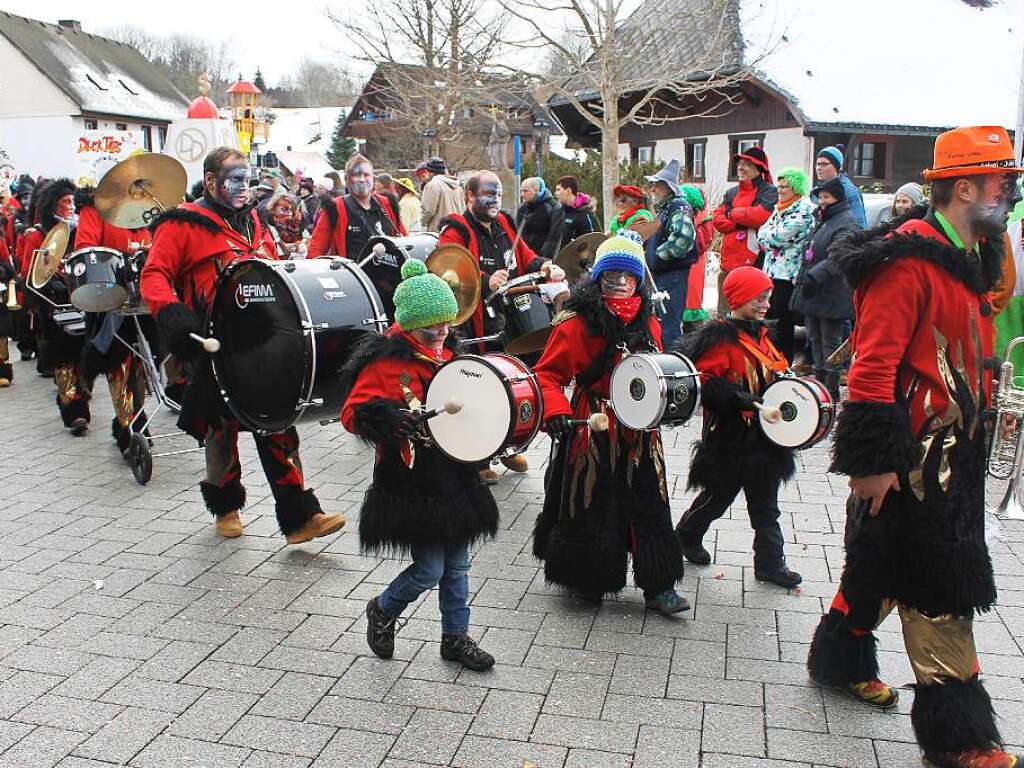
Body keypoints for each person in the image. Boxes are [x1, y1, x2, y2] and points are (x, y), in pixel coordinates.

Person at [807, 126, 1024, 768]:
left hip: (951, 457)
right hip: (915, 463)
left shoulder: (971, 253)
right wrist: (872, 466)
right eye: (1003, 183)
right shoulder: (905, 262)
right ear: (966, 188)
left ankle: (838, 658)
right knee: (941, 587)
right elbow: (871, 370)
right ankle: (962, 738)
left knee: (875, 568)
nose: (1011, 195)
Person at [141, 146, 345, 544]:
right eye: (234, 179)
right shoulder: (181, 224)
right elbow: (154, 275)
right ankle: (226, 507)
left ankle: (299, 516)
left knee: (279, 422)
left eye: (247, 179)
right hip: (212, 342)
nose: (243, 187)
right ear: (212, 181)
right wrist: (172, 315)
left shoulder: (252, 218)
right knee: (221, 429)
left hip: (259, 342)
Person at [340, 259, 498, 671]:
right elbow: (352, 414)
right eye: (432, 327)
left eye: (446, 324)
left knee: (458, 564)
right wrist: (390, 418)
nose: (442, 334)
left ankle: (455, 637)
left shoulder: (451, 355)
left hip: (455, 473)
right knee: (430, 568)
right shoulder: (385, 363)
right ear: (409, 326)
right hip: (414, 481)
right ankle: (384, 608)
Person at [531, 231, 688, 613]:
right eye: (611, 276)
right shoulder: (575, 323)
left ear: (639, 280)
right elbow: (547, 375)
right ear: (598, 278)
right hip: (593, 420)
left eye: (627, 277)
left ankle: (658, 583)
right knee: (591, 497)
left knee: (651, 498)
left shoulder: (649, 321)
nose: (619, 284)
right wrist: (555, 412)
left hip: (640, 424)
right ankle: (588, 577)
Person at [673, 266, 802, 588]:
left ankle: (770, 564)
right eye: (759, 298)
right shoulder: (720, 339)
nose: (766, 305)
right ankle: (686, 536)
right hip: (731, 439)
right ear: (740, 298)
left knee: (766, 506)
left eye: (768, 298)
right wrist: (742, 399)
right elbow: (703, 383)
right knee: (718, 498)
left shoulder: (762, 334)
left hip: (765, 439)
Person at [437, 170, 567, 480]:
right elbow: (446, 268)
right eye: (487, 193)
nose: (494, 199)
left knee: (509, 385)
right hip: (473, 325)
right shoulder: (455, 229)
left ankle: (507, 446)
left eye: (497, 194)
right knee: (479, 388)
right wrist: (483, 280)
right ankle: (478, 460)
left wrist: (544, 265)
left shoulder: (506, 224)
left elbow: (525, 257)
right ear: (469, 197)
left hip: (506, 322)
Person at [74, 184, 153, 454]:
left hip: (145, 295)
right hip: (109, 296)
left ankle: (135, 418)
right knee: (119, 360)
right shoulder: (95, 210)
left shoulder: (148, 213)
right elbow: (85, 248)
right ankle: (128, 425)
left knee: (142, 364)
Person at [20, 178, 91, 430]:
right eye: (65, 202)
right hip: (53, 304)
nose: (71, 206)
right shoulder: (37, 235)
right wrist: (51, 270)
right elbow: (30, 273)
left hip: (82, 298)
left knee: (83, 354)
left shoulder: (80, 231)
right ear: (53, 205)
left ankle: (81, 392)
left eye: (73, 201)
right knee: (63, 358)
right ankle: (72, 408)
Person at [790, 176, 859, 402]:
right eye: (820, 197)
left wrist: (814, 275)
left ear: (837, 198)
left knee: (831, 341)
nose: (822, 201)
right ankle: (819, 385)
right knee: (814, 338)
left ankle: (831, 389)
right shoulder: (824, 220)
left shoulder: (847, 222)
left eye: (826, 197)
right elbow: (810, 252)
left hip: (832, 292)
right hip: (814, 291)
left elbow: (838, 255)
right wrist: (802, 278)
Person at [757, 166, 817, 361]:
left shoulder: (804, 211)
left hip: (788, 275)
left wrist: (768, 238)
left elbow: (776, 237)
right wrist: (768, 237)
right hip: (772, 272)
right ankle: (771, 359)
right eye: (779, 186)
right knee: (769, 319)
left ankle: (784, 362)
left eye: (785, 187)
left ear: (797, 188)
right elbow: (762, 233)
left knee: (783, 323)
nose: (780, 191)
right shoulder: (780, 208)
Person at [713, 147, 778, 316]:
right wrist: (741, 221)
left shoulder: (768, 191)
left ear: (759, 168)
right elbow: (718, 220)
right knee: (724, 315)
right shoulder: (731, 192)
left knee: (748, 315)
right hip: (728, 264)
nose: (741, 167)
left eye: (747, 164)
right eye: (740, 163)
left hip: (753, 265)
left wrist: (732, 214)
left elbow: (760, 216)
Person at [307, 154, 406, 258]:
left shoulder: (388, 204)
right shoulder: (334, 207)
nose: (362, 179)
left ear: (373, 179)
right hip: (352, 273)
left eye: (366, 175)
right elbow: (316, 250)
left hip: (389, 272)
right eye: (356, 175)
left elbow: (404, 241)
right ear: (346, 179)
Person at [643, 159, 697, 347]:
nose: (653, 190)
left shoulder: (678, 207)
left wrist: (657, 257)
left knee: (669, 323)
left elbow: (683, 239)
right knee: (660, 321)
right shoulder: (667, 208)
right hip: (664, 274)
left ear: (668, 187)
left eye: (657, 186)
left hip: (672, 275)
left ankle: (671, 364)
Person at [681, 184, 715, 331]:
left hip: (694, 265)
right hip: (682, 267)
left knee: (692, 303)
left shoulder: (703, 220)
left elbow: (701, 244)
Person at [814, 145, 866, 227]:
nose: (818, 168)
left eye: (824, 164)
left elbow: (859, 226)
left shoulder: (849, 191)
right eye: (818, 164)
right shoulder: (817, 190)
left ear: (836, 167)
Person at [515, 176, 562, 260]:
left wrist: (546, 260)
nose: (522, 194)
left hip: (543, 259)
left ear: (536, 190)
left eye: (525, 191)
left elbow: (553, 239)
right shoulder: (522, 210)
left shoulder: (553, 208)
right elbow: (517, 235)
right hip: (525, 258)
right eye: (521, 191)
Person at [419, 157, 463, 232]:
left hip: (440, 232)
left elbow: (428, 210)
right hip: (458, 231)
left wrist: (422, 222)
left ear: (429, 171)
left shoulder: (433, 184)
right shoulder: (457, 186)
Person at [554, 175, 599, 247]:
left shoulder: (585, 213)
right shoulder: (560, 212)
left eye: (559, 190)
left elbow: (594, 241)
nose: (556, 193)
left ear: (568, 190)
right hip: (561, 257)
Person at [266, 193, 306, 257]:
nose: (289, 213)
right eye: (284, 209)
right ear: (274, 209)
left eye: (291, 210)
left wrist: (297, 245)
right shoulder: (269, 226)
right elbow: (278, 247)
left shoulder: (291, 224)